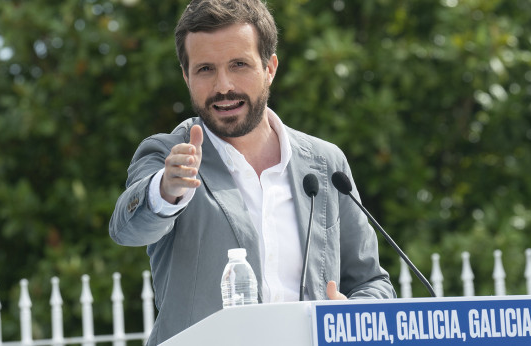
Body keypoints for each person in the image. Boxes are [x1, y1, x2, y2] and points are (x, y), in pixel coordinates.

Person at [109, 0, 396, 344]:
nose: (223, 85)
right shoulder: (168, 155)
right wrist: (165, 191)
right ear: (186, 75)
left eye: (239, 64)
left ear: (270, 67)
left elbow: (372, 283)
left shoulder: (326, 163)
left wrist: (351, 315)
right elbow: (127, 229)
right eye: (205, 70)